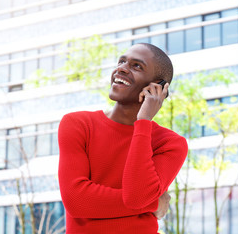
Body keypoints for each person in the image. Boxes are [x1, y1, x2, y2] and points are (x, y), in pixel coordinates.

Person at [58, 43, 188, 233]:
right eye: (121, 62)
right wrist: (153, 203)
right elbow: (77, 201)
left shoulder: (170, 143)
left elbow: (137, 197)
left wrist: (143, 123)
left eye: (137, 66)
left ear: (158, 88)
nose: (121, 68)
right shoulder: (78, 124)